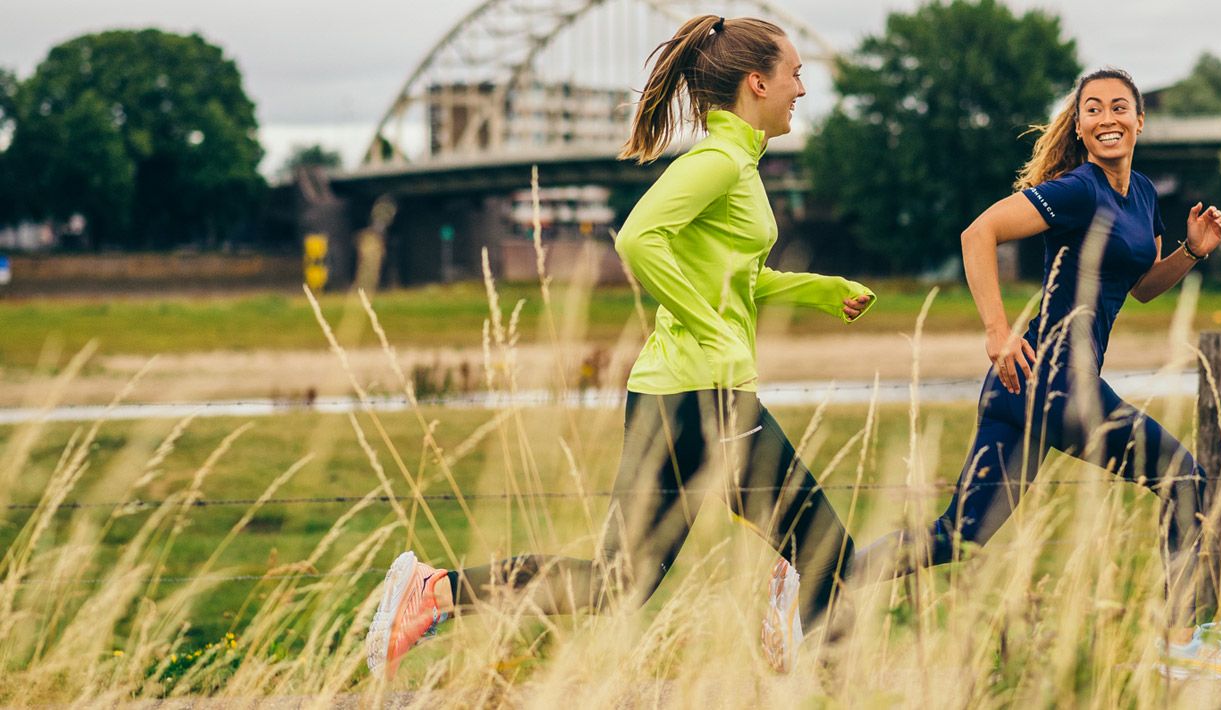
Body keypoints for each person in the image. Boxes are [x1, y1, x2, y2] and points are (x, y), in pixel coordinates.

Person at [364, 14, 875, 677]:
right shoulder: (720, 161)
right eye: (795, 75)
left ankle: (435, 593)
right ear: (757, 82)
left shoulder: (739, 165)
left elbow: (735, 278)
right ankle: (831, 678)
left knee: (619, 582)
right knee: (826, 545)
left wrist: (818, 289)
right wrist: (704, 322)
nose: (802, 90)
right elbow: (637, 238)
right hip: (701, 397)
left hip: (674, 396)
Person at [764, 68, 1221, 680]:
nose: (1108, 118)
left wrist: (1189, 251)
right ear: (1079, 126)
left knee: (960, 535)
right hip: (1053, 379)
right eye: (1094, 109)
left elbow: (1142, 287)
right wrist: (999, 333)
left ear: (1139, 121)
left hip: (1027, 390)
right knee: (1186, 478)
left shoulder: (1142, 195)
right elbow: (981, 232)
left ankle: (810, 586)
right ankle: (1184, 643)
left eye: (1120, 107)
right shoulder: (1078, 189)